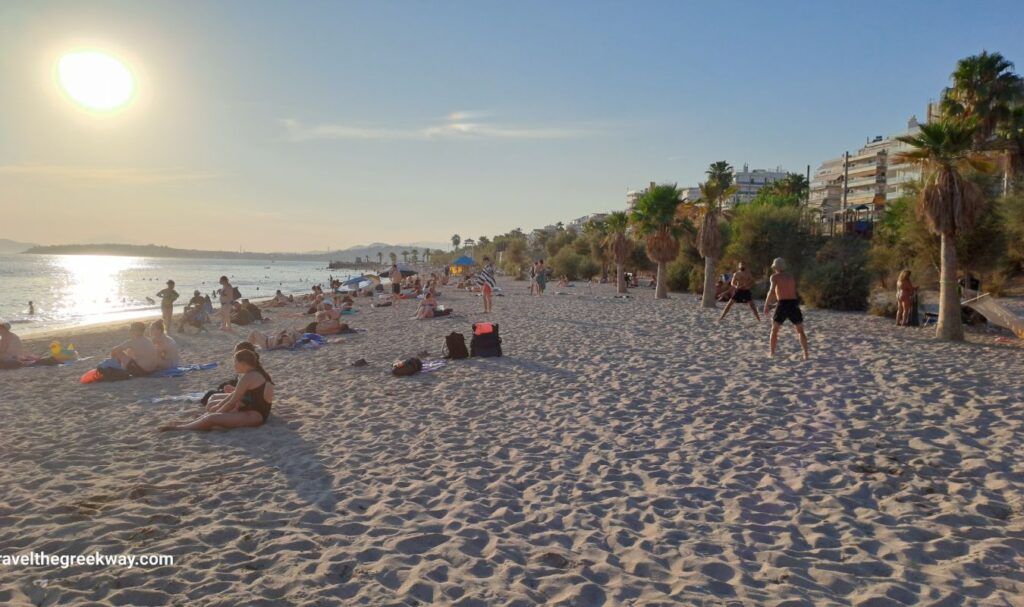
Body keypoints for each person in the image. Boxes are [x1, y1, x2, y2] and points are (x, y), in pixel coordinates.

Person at [158, 349, 274, 432]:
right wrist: (216, 410)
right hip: (255, 412)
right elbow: (232, 396)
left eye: (235, 362)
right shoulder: (257, 372)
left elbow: (232, 402)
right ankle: (193, 423)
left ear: (243, 364)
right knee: (212, 413)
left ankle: (182, 427)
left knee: (212, 418)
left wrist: (216, 413)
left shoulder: (248, 377)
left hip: (255, 416)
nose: (234, 365)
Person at [763, 258, 809, 360]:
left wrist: (767, 304)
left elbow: (771, 291)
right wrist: (775, 304)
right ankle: (806, 354)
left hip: (782, 305)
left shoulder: (774, 277)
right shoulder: (790, 277)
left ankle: (772, 353)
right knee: (800, 331)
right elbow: (789, 295)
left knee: (774, 330)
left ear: (776, 267)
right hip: (793, 304)